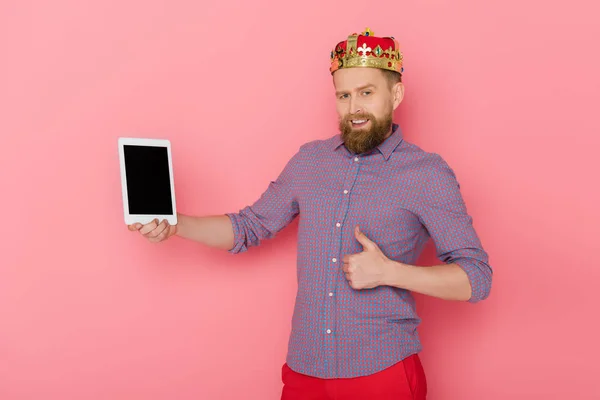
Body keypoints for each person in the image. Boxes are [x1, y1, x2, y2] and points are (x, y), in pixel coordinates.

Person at [128, 28, 493, 400]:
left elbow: (476, 278)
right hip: (304, 373)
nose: (354, 108)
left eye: (366, 93)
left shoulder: (426, 173)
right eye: (344, 96)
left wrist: (390, 272)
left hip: (382, 373)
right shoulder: (309, 161)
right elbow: (248, 227)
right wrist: (175, 225)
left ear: (395, 94)